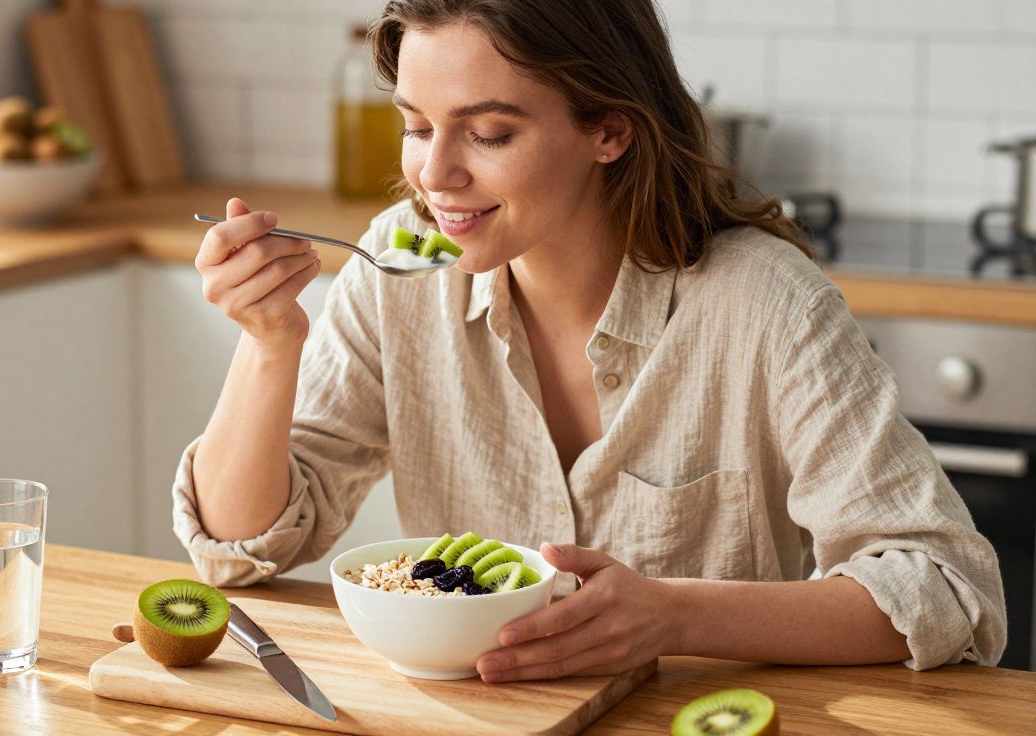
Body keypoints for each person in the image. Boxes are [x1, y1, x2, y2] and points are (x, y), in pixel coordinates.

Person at [173, 0, 1006, 682]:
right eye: (418, 126)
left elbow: (946, 588)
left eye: (488, 133)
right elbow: (240, 552)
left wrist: (674, 614)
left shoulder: (765, 304)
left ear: (609, 130)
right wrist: (269, 341)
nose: (434, 175)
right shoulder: (398, 266)